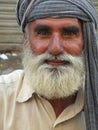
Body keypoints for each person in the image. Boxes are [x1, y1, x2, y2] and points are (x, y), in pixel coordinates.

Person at [0, 0, 98, 130]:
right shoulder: (3, 98)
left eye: (69, 33)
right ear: (26, 39)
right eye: (43, 33)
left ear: (86, 40)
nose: (55, 48)